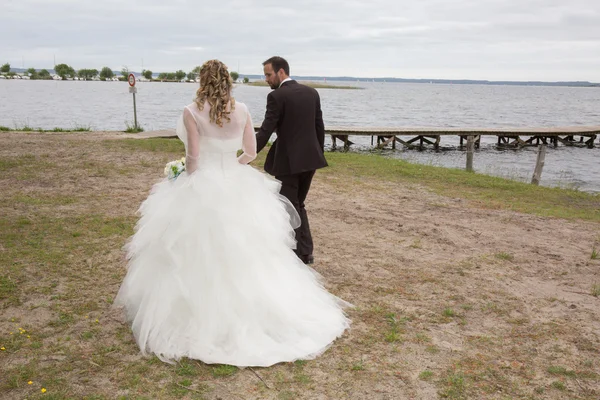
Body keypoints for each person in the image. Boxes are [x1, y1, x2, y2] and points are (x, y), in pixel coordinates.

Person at [114, 60, 350, 367]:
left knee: (192, 248)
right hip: (237, 182)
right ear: (228, 82)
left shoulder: (191, 112)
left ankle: (197, 317)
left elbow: (193, 158)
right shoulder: (242, 111)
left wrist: (186, 175)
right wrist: (232, 168)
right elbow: (251, 152)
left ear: (202, 81)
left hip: (204, 183)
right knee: (250, 249)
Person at [256, 56, 327, 265]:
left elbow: (266, 131)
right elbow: (319, 127)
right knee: (298, 204)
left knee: (290, 205)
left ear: (281, 72)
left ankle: (300, 252)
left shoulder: (277, 96)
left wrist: (248, 155)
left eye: (268, 75)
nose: (266, 80)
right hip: (311, 159)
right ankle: (304, 251)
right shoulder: (311, 93)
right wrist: (318, 153)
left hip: (289, 162)